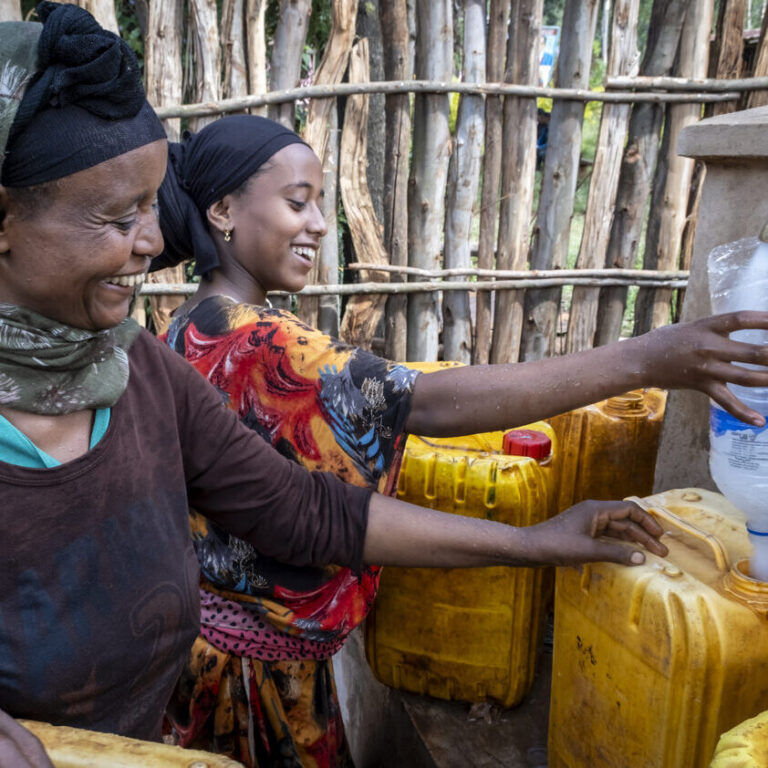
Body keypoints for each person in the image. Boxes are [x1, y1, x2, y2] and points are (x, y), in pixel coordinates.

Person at [0, 6, 676, 766]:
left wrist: (533, 543)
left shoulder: (145, 374)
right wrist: (647, 359)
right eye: (116, 217)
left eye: (150, 209)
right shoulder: (236, 332)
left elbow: (306, 510)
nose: (154, 242)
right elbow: (423, 402)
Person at [155, 114, 768, 768]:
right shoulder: (259, 341)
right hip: (262, 692)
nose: (319, 224)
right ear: (222, 210)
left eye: (321, 204)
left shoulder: (189, 327)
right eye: (296, 202)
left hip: (210, 660)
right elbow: (429, 401)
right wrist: (647, 359)